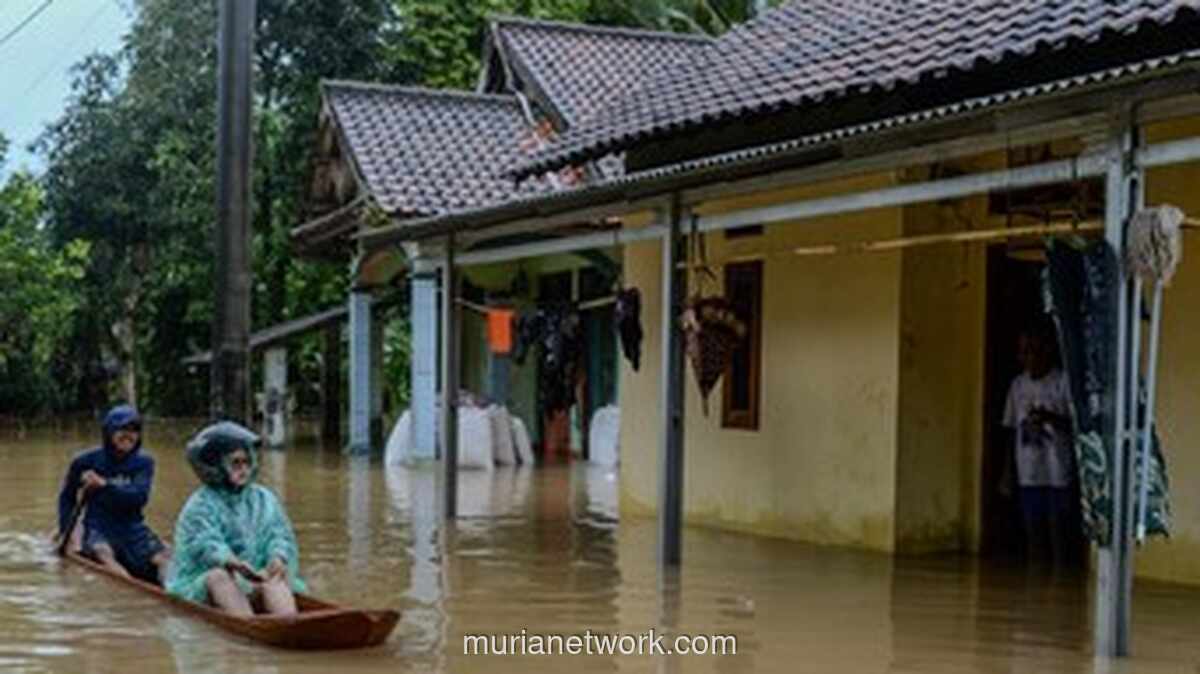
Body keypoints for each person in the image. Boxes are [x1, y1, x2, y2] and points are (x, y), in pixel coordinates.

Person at [165, 421, 306, 616]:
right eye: (236, 463)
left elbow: (278, 533)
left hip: (253, 579)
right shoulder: (200, 505)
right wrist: (231, 562)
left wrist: (277, 558)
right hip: (206, 586)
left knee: (275, 577)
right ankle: (248, 624)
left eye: (247, 462)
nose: (244, 469)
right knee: (218, 576)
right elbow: (205, 544)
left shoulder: (263, 498)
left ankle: (290, 623)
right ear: (216, 466)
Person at [56, 404, 170, 584]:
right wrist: (66, 533)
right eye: (122, 429)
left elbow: (139, 497)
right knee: (103, 554)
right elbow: (67, 497)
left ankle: (174, 594)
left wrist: (105, 485)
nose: (128, 435)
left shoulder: (144, 462)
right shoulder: (85, 461)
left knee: (164, 558)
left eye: (134, 430)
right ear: (109, 432)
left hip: (133, 529)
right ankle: (133, 593)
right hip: (99, 528)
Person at [1002, 321, 1076, 565]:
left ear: (1046, 351)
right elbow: (1010, 429)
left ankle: (1060, 582)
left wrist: (1050, 418)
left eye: (1033, 350)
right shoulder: (1018, 385)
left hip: (1058, 469)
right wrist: (1007, 472)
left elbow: (1076, 427)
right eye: (1023, 351)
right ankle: (1036, 587)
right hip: (1028, 470)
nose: (1028, 357)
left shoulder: (1062, 381)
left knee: (1059, 529)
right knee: (1033, 530)